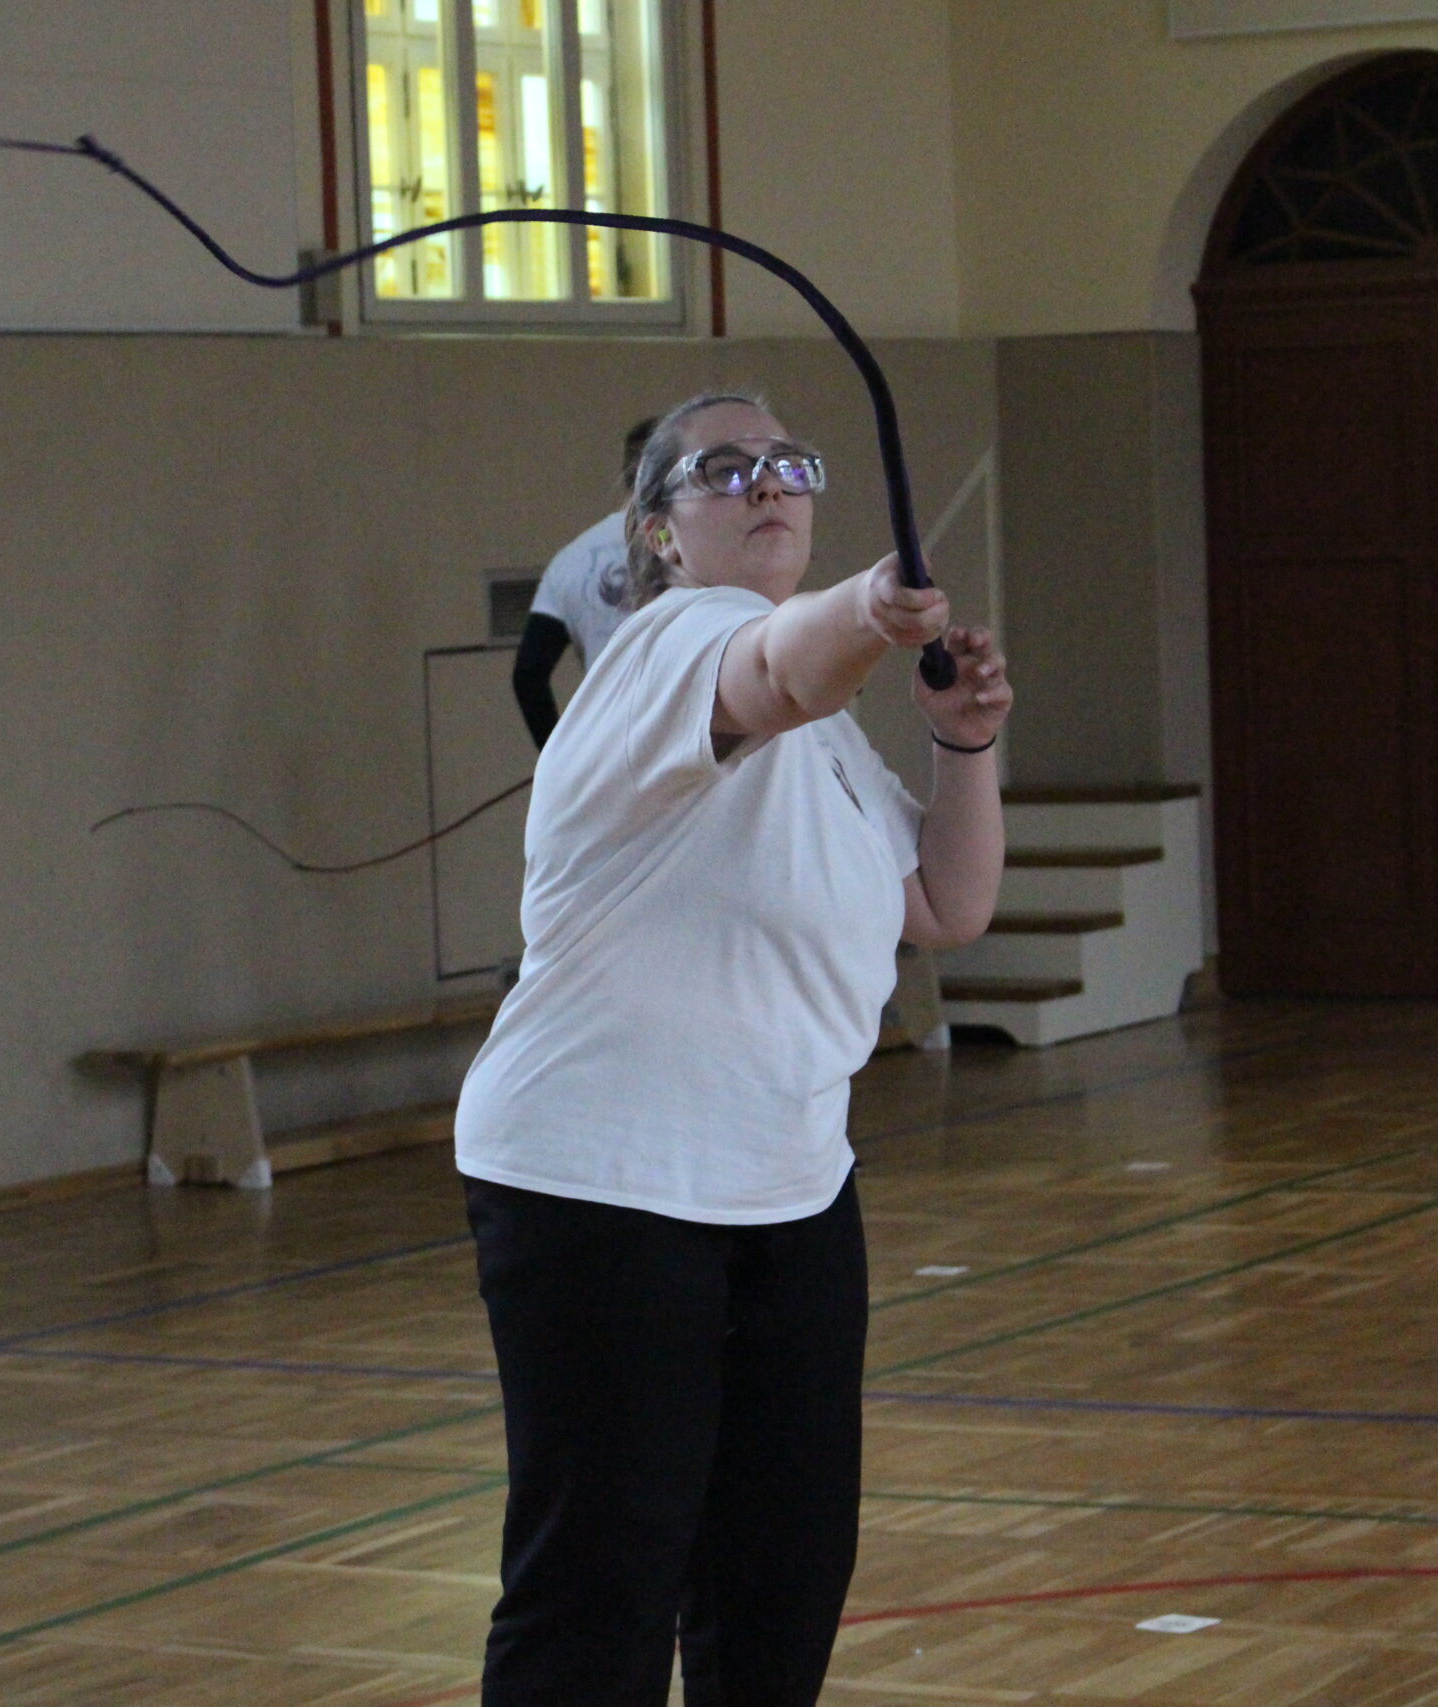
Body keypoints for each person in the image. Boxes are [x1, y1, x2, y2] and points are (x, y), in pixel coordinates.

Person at [454, 392, 1014, 1705]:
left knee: (780, 1580)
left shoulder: (832, 739)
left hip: (790, 1187)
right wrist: (872, 605)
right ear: (657, 531)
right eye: (722, 469)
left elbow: (946, 904)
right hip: (600, 1182)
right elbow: (774, 669)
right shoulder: (666, 647)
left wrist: (965, 742)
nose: (766, 484)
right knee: (600, 1586)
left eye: (787, 465)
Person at [510, 416, 658, 750]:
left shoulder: (570, 561)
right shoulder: (696, 550)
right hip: (688, 745)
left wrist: (558, 759)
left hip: (607, 746)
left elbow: (528, 674)